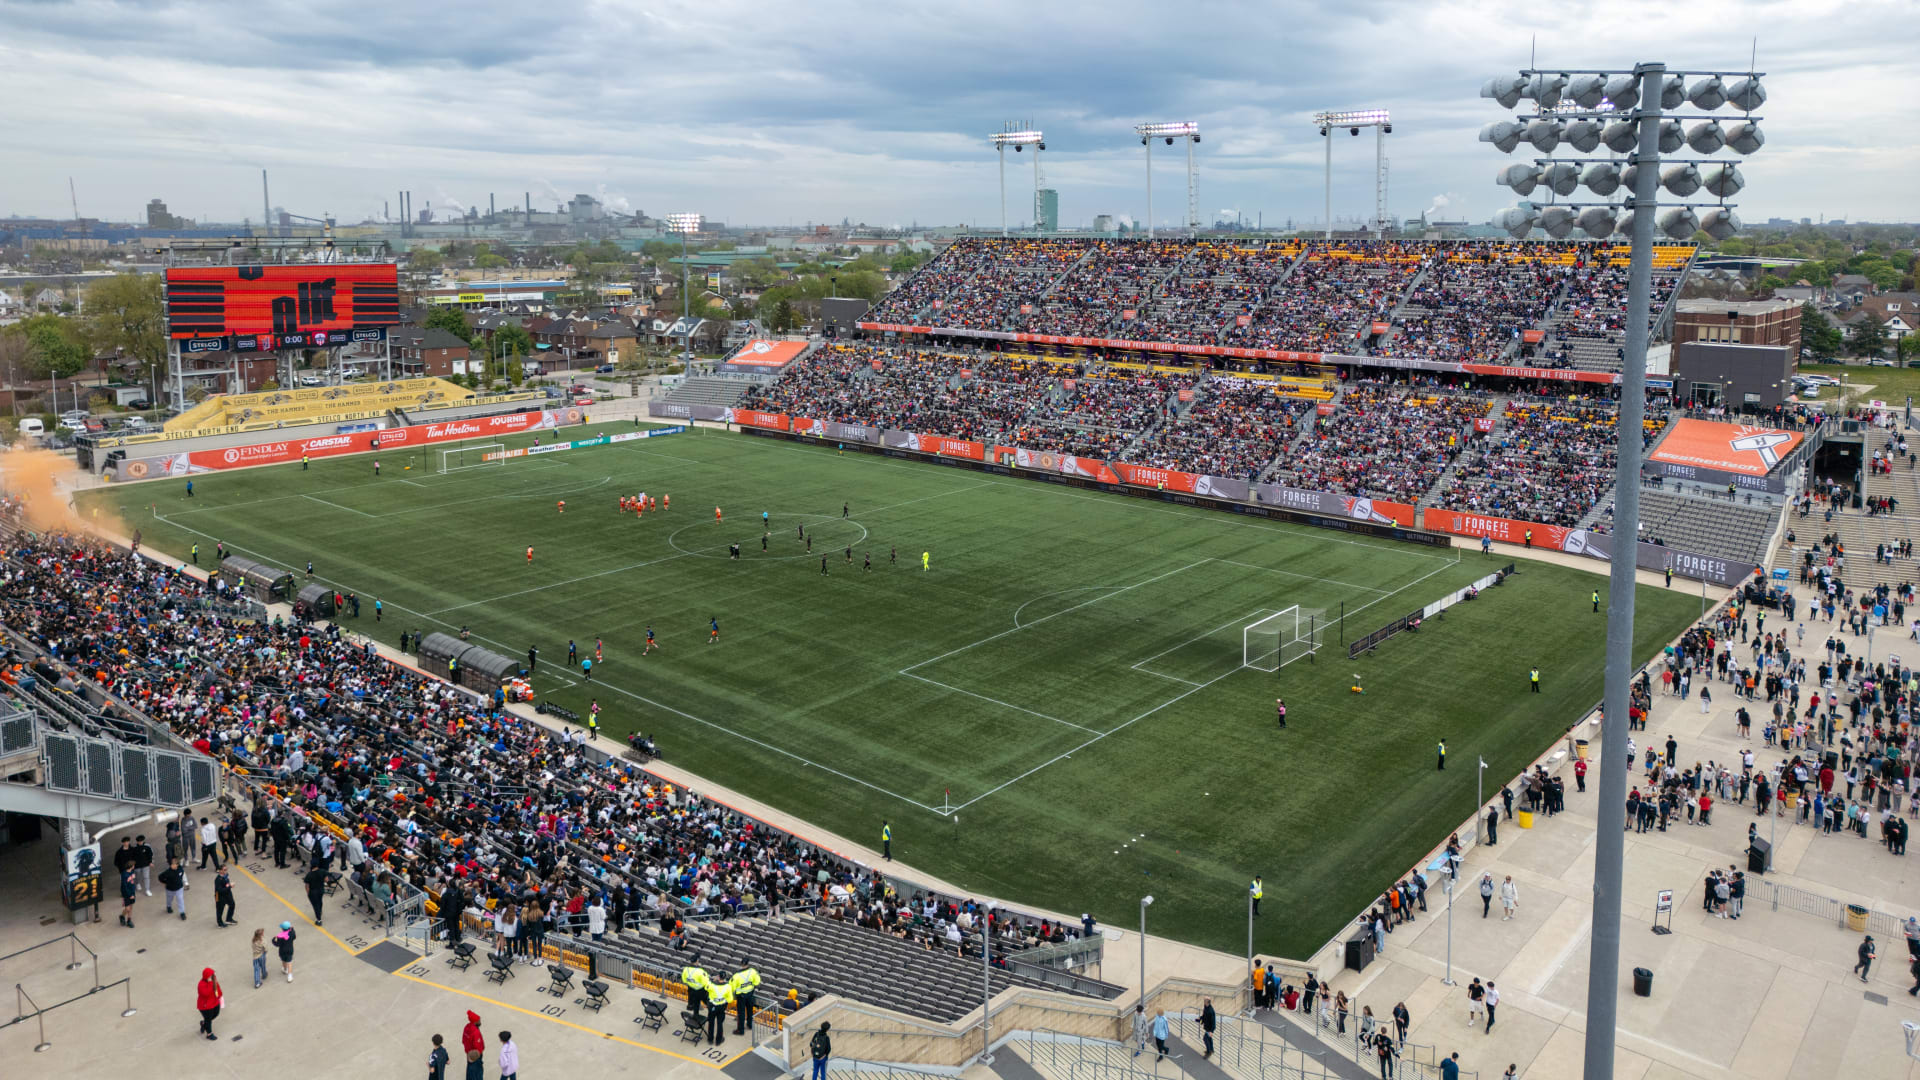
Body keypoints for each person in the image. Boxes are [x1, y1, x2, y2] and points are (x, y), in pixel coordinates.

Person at [195, 967, 223, 1040]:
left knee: (216, 1013)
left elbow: (217, 989)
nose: (212, 976)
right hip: (205, 1006)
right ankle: (209, 1034)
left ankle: (204, 1023)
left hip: (214, 1002)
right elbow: (205, 994)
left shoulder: (214, 981)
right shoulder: (201, 984)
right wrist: (211, 983)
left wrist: (219, 996)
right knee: (208, 1019)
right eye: (211, 975)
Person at [462, 1011, 485, 1080]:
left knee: (470, 1070)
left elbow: (463, 1040)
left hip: (469, 1053)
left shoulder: (467, 1027)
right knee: (478, 1071)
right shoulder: (475, 1032)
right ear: (475, 1022)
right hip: (475, 1055)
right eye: (479, 1020)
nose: (480, 1021)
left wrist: (468, 1052)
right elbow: (477, 1046)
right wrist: (478, 1054)